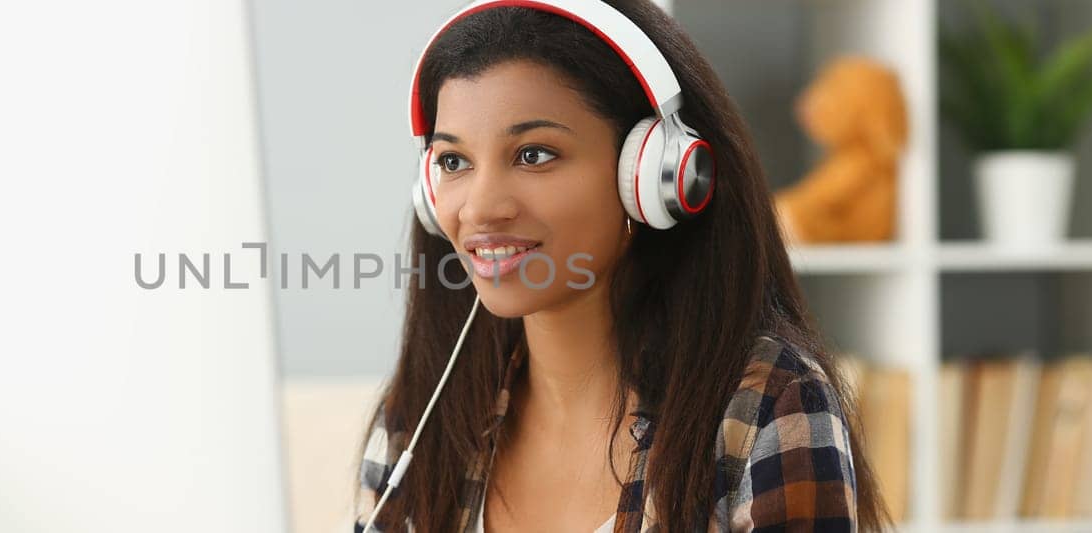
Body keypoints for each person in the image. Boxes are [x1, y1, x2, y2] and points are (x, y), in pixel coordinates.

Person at [352, 1, 891, 531]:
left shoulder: (767, 406)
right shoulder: (420, 418)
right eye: (453, 161)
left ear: (656, 173)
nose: (480, 208)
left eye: (534, 154)